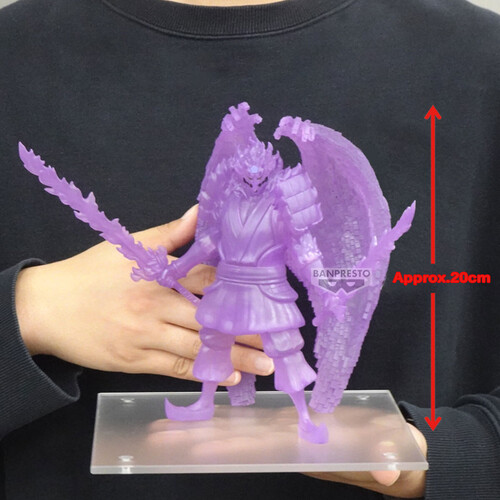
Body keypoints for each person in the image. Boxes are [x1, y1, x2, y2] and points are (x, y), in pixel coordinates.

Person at [0, 0, 498, 499]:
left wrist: (460, 455)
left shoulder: (479, 56)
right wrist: (28, 311)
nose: (253, 173)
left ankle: (305, 413)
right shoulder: (14, 50)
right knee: (216, 345)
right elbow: (207, 245)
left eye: (260, 168)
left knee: (284, 353)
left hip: (269, 290)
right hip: (228, 290)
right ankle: (204, 403)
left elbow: (304, 252)